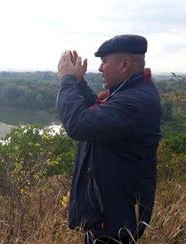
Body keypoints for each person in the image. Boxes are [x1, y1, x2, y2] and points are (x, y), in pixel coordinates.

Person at [56, 34, 161, 243]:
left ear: (124, 64)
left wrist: (67, 81)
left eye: (104, 61)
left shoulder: (135, 102)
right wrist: (78, 83)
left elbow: (79, 124)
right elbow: (98, 114)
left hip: (113, 221)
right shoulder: (130, 93)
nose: (100, 68)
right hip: (109, 214)